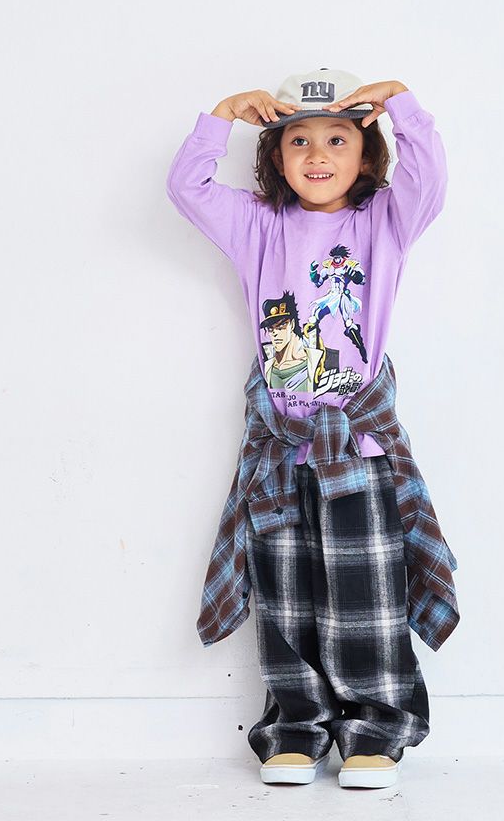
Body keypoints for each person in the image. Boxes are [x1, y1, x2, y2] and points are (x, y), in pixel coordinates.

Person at [166, 68, 460, 789]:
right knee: (286, 596)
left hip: (357, 447)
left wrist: (400, 105)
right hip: (281, 449)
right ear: (275, 155)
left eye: (337, 139)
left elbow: (428, 179)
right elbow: (187, 187)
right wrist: (221, 115)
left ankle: (376, 729)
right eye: (299, 140)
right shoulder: (258, 226)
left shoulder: (383, 222)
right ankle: (295, 726)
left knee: (366, 595)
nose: (318, 154)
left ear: (366, 154)